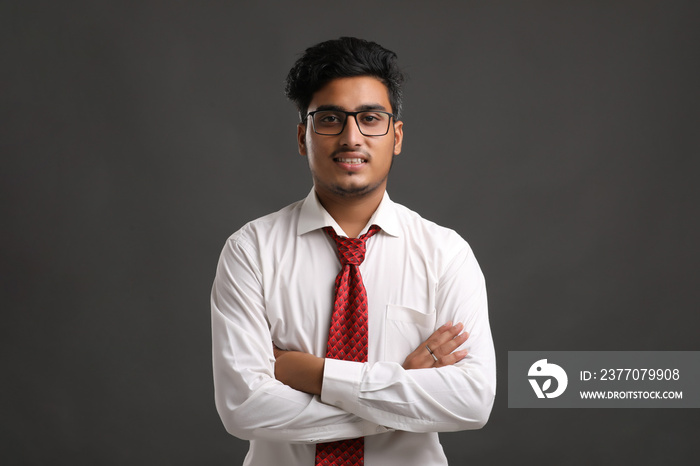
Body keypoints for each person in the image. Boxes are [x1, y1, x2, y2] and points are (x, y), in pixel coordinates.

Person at [211, 37, 496, 466]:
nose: (351, 137)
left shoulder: (445, 254)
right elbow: (244, 408)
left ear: (396, 135)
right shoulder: (251, 251)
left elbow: (472, 401)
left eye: (370, 118)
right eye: (329, 119)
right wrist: (400, 395)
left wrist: (313, 374)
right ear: (303, 137)